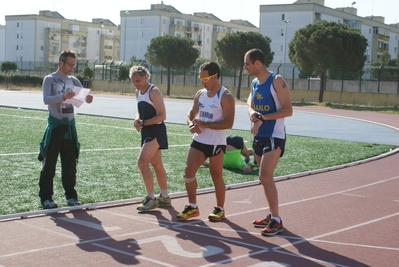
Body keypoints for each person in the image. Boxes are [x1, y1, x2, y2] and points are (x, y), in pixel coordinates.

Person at [176, 61, 235, 222]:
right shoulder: (200, 94)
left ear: (215, 77)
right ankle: (192, 207)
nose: (202, 81)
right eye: (200, 78)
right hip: (199, 140)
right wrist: (191, 124)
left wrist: (206, 124)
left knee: (216, 175)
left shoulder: (226, 96)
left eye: (205, 78)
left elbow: (229, 123)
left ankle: (220, 209)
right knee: (188, 171)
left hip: (216, 142)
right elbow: (190, 114)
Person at [244, 48, 293, 235]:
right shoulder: (255, 82)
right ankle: (272, 215)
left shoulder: (276, 81)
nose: (245, 67)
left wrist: (264, 118)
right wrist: (254, 114)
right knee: (265, 179)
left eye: (247, 63)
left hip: (275, 134)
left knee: (265, 175)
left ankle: (277, 220)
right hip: (259, 135)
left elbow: (288, 110)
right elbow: (250, 105)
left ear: (258, 63)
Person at [38, 50, 93, 209]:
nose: (72, 68)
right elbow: (46, 99)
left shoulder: (74, 80)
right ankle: (46, 197)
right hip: (55, 127)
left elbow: (84, 98)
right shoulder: (50, 79)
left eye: (73, 65)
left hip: (70, 127)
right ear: (61, 63)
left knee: (70, 164)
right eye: (69, 64)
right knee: (49, 164)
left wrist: (88, 98)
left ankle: (71, 196)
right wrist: (63, 97)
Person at [131, 65, 171, 211]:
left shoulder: (153, 92)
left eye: (138, 80)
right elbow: (140, 111)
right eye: (134, 81)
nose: (136, 84)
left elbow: (162, 115)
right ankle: (165, 197)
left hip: (156, 130)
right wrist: (137, 120)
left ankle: (151, 198)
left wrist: (144, 123)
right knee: (157, 164)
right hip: (146, 130)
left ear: (146, 77)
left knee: (142, 163)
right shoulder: (138, 92)